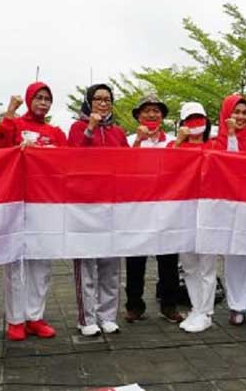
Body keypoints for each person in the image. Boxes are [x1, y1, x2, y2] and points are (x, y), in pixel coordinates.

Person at [0, 81, 65, 341]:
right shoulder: (15, 125)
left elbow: (67, 164)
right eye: (38, 98)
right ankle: (15, 319)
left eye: (47, 98)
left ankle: (35, 316)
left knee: (41, 264)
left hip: (46, 204)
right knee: (15, 263)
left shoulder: (55, 132)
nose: (43, 103)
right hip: (17, 201)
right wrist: (9, 114)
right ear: (28, 99)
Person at [68, 84, 128, 336]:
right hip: (85, 206)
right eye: (98, 99)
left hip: (112, 205)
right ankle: (87, 318)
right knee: (86, 264)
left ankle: (108, 316)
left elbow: (129, 164)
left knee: (110, 266)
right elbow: (72, 159)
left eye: (107, 99)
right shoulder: (77, 128)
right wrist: (90, 129)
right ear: (88, 102)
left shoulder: (118, 132)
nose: (103, 103)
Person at [209, 94, 246, 326]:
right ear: (226, 114)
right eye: (236, 112)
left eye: (245, 112)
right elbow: (228, 166)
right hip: (230, 208)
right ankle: (237, 306)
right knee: (234, 256)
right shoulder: (217, 142)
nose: (241, 117)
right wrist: (232, 136)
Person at [123, 95, 184, 324]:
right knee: (135, 260)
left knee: (168, 260)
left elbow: (179, 169)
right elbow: (125, 169)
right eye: (146, 110)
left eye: (156, 111)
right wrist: (138, 142)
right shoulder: (129, 140)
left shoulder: (173, 141)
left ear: (162, 116)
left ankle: (169, 305)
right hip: (137, 210)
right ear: (138, 115)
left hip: (166, 210)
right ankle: (134, 306)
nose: (151, 114)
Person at [167, 102, 216, 333]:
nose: (195, 124)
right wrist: (178, 141)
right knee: (188, 265)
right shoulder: (174, 146)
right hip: (183, 213)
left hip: (208, 211)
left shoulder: (213, 146)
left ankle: (206, 312)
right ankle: (196, 308)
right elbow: (165, 169)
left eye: (199, 118)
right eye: (190, 119)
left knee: (207, 265)